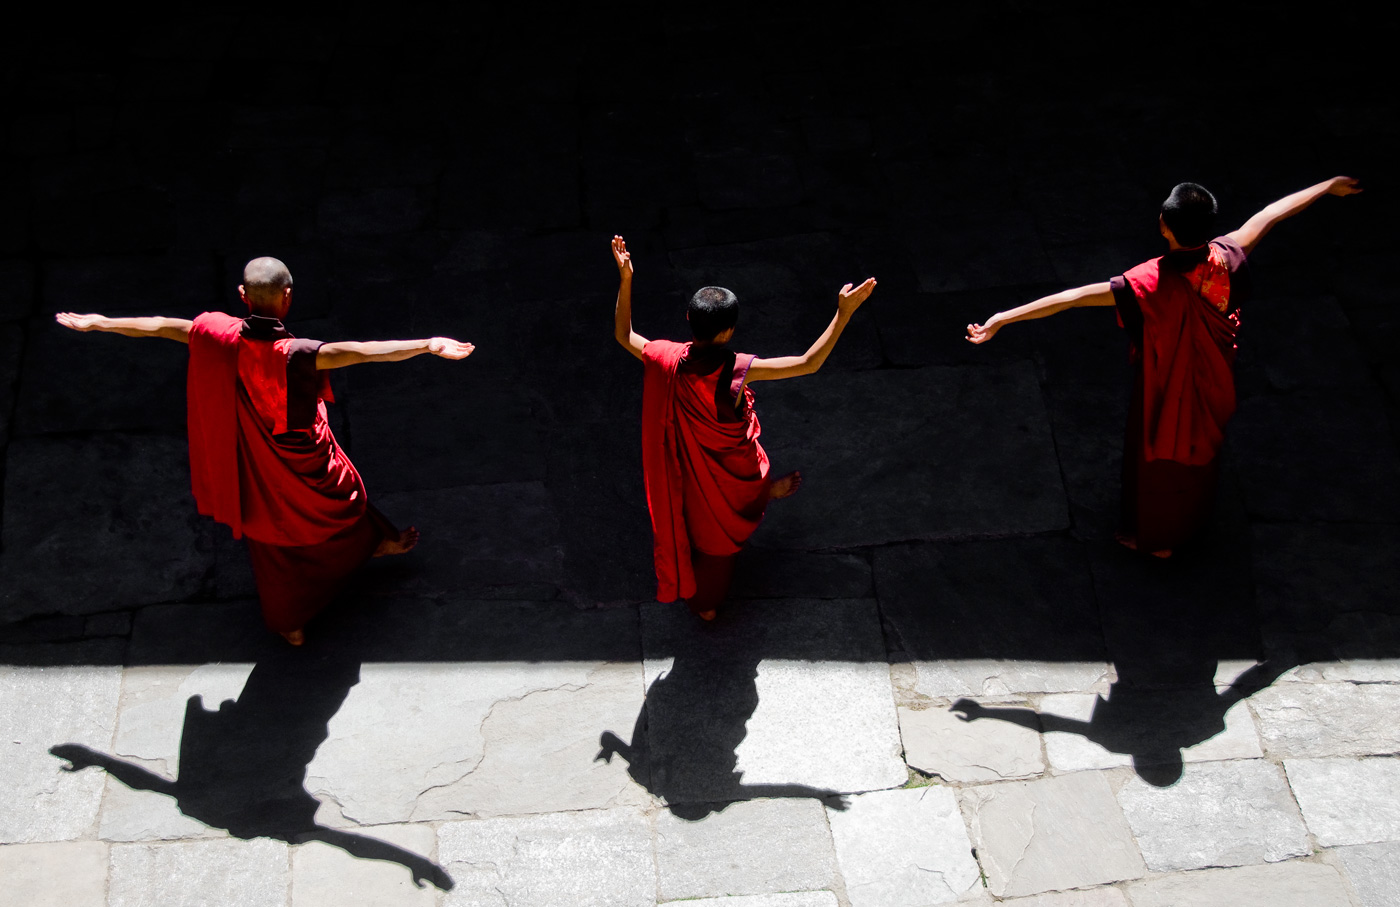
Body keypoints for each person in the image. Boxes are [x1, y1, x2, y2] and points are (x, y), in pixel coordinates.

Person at [56, 256, 475, 644]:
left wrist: (101, 322)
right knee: (344, 502)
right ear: (288, 296)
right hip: (301, 455)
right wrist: (427, 344)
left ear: (243, 295)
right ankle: (347, 566)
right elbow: (366, 353)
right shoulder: (297, 355)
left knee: (273, 532)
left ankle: (294, 621)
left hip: (255, 457)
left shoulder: (215, 335)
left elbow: (161, 325)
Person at [966, 176, 1362, 557]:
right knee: (1198, 454)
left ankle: (1158, 539)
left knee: (1162, 457)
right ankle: (1190, 521)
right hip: (1215, 377)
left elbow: (1071, 298)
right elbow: (1271, 213)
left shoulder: (1147, 282)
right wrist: (1327, 186)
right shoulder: (1228, 254)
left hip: (1168, 382)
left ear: (1163, 226)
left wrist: (1003, 317)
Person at [611, 235, 875, 619]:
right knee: (710, 592)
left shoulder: (665, 359)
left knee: (700, 519)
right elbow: (807, 363)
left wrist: (626, 279)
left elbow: (624, 335)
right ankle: (752, 509)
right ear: (729, 333)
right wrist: (843, 313)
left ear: (689, 320)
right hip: (734, 473)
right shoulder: (736, 370)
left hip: (690, 471)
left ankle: (759, 497)